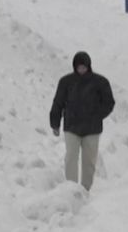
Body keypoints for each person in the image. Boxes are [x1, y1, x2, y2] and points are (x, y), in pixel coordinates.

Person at [49, 51, 115, 191]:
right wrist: (55, 123)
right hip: (71, 127)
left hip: (92, 129)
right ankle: (71, 189)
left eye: (84, 67)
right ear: (74, 66)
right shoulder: (66, 82)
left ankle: (85, 190)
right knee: (71, 158)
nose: (81, 69)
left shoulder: (100, 82)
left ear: (89, 66)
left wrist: (97, 115)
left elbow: (109, 103)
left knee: (89, 162)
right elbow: (58, 103)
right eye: (79, 67)